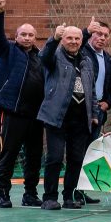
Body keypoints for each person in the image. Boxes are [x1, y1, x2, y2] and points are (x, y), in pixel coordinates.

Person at [38, 25, 98, 209]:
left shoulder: (87, 61)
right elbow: (44, 56)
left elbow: (92, 90)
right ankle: (49, 198)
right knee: (55, 158)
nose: (73, 42)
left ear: (82, 41)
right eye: (69, 38)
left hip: (80, 120)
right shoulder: (54, 56)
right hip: (57, 118)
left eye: (77, 38)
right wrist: (53, 39)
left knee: (76, 159)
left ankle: (69, 197)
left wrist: (94, 113)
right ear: (63, 40)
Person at [0, 0, 45, 208]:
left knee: (34, 156)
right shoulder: (7, 50)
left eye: (31, 35)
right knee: (9, 153)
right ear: (16, 37)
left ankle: (30, 193)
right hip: (13, 112)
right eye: (23, 34)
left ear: (35, 38)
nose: (27, 37)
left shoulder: (40, 56)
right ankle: (3, 194)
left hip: (36, 115)